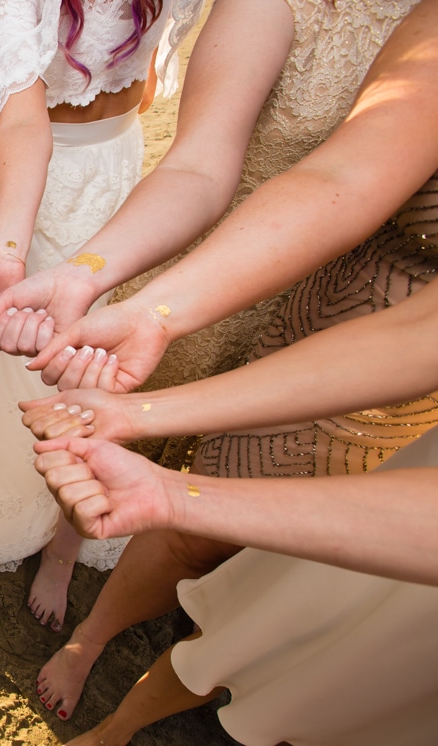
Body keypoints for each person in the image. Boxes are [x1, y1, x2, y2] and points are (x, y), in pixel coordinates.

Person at [0, 0, 435, 723]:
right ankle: (90, 626)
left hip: (355, 351)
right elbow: (322, 179)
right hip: (217, 276)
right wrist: (137, 306)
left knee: (242, 552)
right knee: (155, 487)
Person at [27, 243, 438, 745]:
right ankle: (93, 655)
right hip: (366, 335)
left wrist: (172, 488)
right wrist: (144, 430)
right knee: (244, 577)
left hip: (410, 424)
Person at [0, 0, 202, 632]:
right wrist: (7, 246)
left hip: (120, 176)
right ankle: (14, 509)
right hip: (28, 183)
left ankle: (65, 549)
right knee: (20, 363)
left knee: (96, 376)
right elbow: (18, 112)